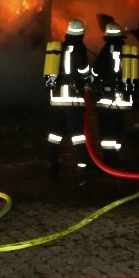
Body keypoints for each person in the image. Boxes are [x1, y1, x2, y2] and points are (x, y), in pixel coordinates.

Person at [44, 18, 94, 174]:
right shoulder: (79, 48)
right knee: (78, 134)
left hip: (57, 98)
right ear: (81, 34)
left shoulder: (60, 48)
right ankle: (83, 167)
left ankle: (51, 161)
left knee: (55, 133)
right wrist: (89, 79)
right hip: (72, 99)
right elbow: (83, 70)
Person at [90, 21, 137, 166]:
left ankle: (108, 162)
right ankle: (116, 158)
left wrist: (90, 81)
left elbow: (95, 71)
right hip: (122, 99)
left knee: (106, 132)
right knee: (117, 129)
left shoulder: (106, 51)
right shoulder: (126, 51)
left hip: (108, 99)